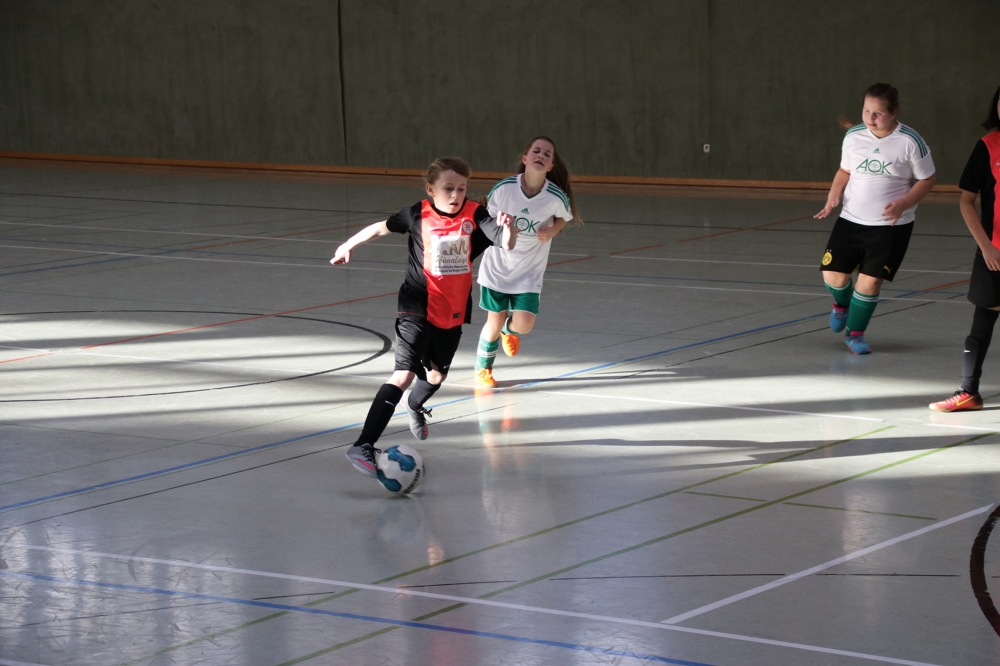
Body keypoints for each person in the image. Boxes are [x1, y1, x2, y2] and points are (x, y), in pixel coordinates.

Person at [330, 157, 517, 476]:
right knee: (402, 374)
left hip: (452, 311)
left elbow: (505, 242)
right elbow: (380, 227)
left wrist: (509, 228)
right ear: (431, 189)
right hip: (416, 304)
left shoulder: (475, 214)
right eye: (448, 188)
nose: (455, 195)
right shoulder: (418, 213)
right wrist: (349, 244)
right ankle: (363, 444)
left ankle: (414, 404)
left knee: (435, 377)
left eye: (461, 188)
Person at [815, 83, 937, 354]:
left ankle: (855, 336)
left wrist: (904, 203)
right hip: (851, 220)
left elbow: (928, 179)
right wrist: (834, 195)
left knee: (869, 282)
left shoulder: (910, 141)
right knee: (833, 276)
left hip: (891, 226)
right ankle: (842, 305)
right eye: (866, 111)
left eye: (878, 113)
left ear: (894, 112)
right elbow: (844, 171)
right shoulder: (854, 136)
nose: (870, 118)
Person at [472, 136, 579, 388]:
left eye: (547, 154)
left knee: (524, 325)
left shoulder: (555, 196)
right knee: (493, 321)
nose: (541, 155)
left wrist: (553, 230)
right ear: (525, 158)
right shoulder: (504, 188)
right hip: (497, 268)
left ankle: (509, 330)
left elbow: (565, 216)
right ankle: (482, 369)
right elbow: (485, 218)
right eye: (536, 151)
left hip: (529, 271)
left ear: (551, 166)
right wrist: (502, 228)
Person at [929, 87, 1000, 412]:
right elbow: (966, 201)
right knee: (980, 326)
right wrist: (986, 247)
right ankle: (968, 391)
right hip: (993, 253)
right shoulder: (988, 146)